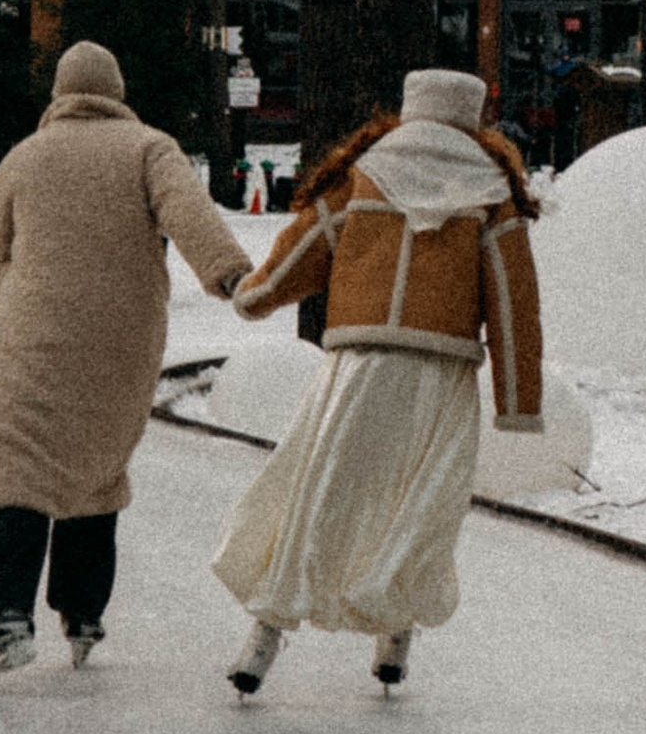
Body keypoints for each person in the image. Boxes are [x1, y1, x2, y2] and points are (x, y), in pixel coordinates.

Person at [212, 67, 543, 700]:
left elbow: (297, 255)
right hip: (440, 373)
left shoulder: (360, 177)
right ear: (472, 118)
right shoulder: (492, 190)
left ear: (407, 110)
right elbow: (512, 302)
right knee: (418, 505)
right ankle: (395, 631)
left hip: (358, 366)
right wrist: (518, 401)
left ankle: (264, 637)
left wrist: (252, 297)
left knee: (318, 497)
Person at [0, 40, 254, 684]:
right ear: (115, 91)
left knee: (16, 466)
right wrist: (229, 275)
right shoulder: (148, 147)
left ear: (60, 93)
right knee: (96, 463)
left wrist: (7, 332)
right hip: (125, 336)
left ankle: (3, 610)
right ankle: (82, 611)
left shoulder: (21, 159)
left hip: (33, 333)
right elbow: (190, 214)